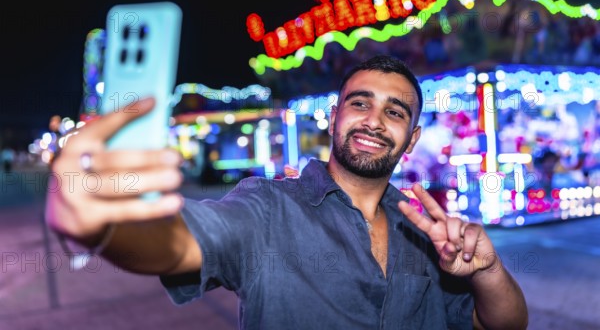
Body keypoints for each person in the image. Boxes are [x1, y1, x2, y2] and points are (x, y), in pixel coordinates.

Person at [45, 55, 528, 329]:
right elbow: (179, 244)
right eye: (360, 104)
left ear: (413, 136)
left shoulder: (427, 232)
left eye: (395, 112)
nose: (375, 121)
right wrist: (108, 223)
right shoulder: (267, 208)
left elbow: (503, 325)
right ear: (335, 117)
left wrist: (488, 270)